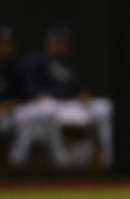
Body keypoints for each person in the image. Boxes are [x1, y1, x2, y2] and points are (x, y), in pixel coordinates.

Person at [22, 25, 114, 167]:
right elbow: (29, 86)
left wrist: (82, 94)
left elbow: (75, 88)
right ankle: (60, 160)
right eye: (58, 41)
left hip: (69, 104)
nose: (62, 45)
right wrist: (38, 94)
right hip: (48, 105)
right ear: (49, 42)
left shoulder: (69, 63)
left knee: (106, 106)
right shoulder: (37, 61)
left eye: (64, 42)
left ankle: (110, 158)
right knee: (47, 108)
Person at [0, 26, 34, 166]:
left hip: (4, 116)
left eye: (8, 44)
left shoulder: (16, 68)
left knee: (28, 115)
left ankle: (16, 161)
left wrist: (3, 107)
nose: (5, 48)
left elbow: (22, 97)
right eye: (1, 44)